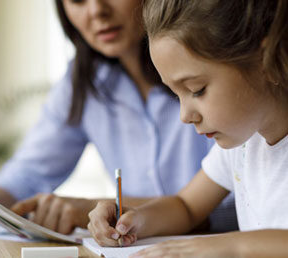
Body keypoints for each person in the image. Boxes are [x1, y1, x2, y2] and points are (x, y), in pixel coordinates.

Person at [0, 0, 236, 235]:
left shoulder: (216, 69)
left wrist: (102, 209)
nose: (96, 11)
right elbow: (27, 173)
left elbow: (227, 205)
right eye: (77, 0)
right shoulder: (83, 82)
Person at [87, 0, 288, 257]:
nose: (184, 116)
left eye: (196, 90)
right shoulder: (245, 144)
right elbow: (186, 206)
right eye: (176, 95)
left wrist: (232, 246)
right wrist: (134, 220)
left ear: (266, 59)